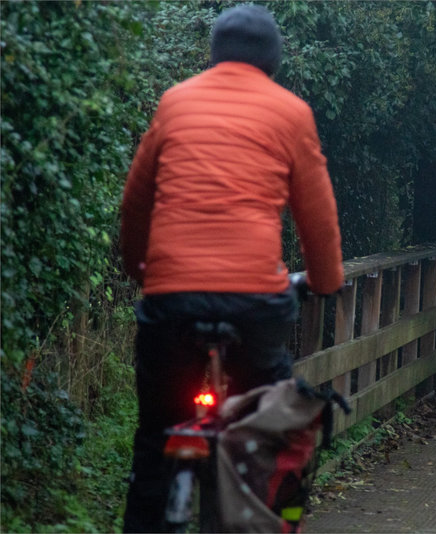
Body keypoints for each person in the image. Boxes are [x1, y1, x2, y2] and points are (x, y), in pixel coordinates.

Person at [119, 5, 344, 532]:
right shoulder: (290, 112)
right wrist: (325, 282)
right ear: (275, 61)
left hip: (170, 297)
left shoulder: (175, 103)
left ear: (212, 53)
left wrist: (141, 269)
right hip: (253, 303)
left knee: (155, 436)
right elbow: (318, 218)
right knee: (270, 422)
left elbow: (135, 203)